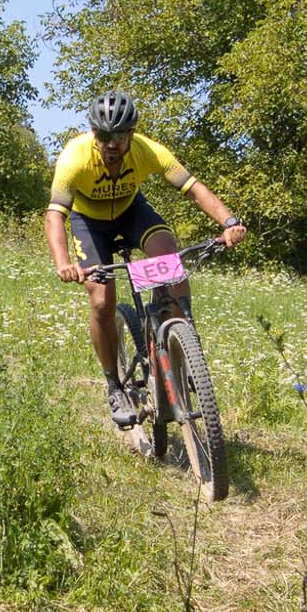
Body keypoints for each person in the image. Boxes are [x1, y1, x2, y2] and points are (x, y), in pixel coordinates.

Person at [44, 93, 246, 427]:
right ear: (94, 133)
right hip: (90, 224)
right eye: (103, 135)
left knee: (169, 258)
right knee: (102, 300)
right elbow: (55, 214)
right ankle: (114, 386)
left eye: (119, 136)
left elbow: (193, 188)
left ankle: (180, 345)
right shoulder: (74, 158)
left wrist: (229, 222)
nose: (111, 144)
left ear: (132, 134)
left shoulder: (149, 151)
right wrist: (64, 262)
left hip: (131, 213)